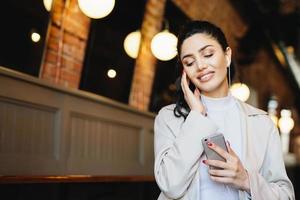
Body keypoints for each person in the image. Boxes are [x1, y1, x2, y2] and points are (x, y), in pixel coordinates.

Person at [153, 20, 295, 200]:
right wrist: (197, 115)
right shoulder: (169, 118)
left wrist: (246, 180)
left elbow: (286, 195)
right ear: (184, 72)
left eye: (208, 54)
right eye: (189, 62)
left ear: (227, 56)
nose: (200, 66)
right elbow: (170, 186)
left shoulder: (261, 122)